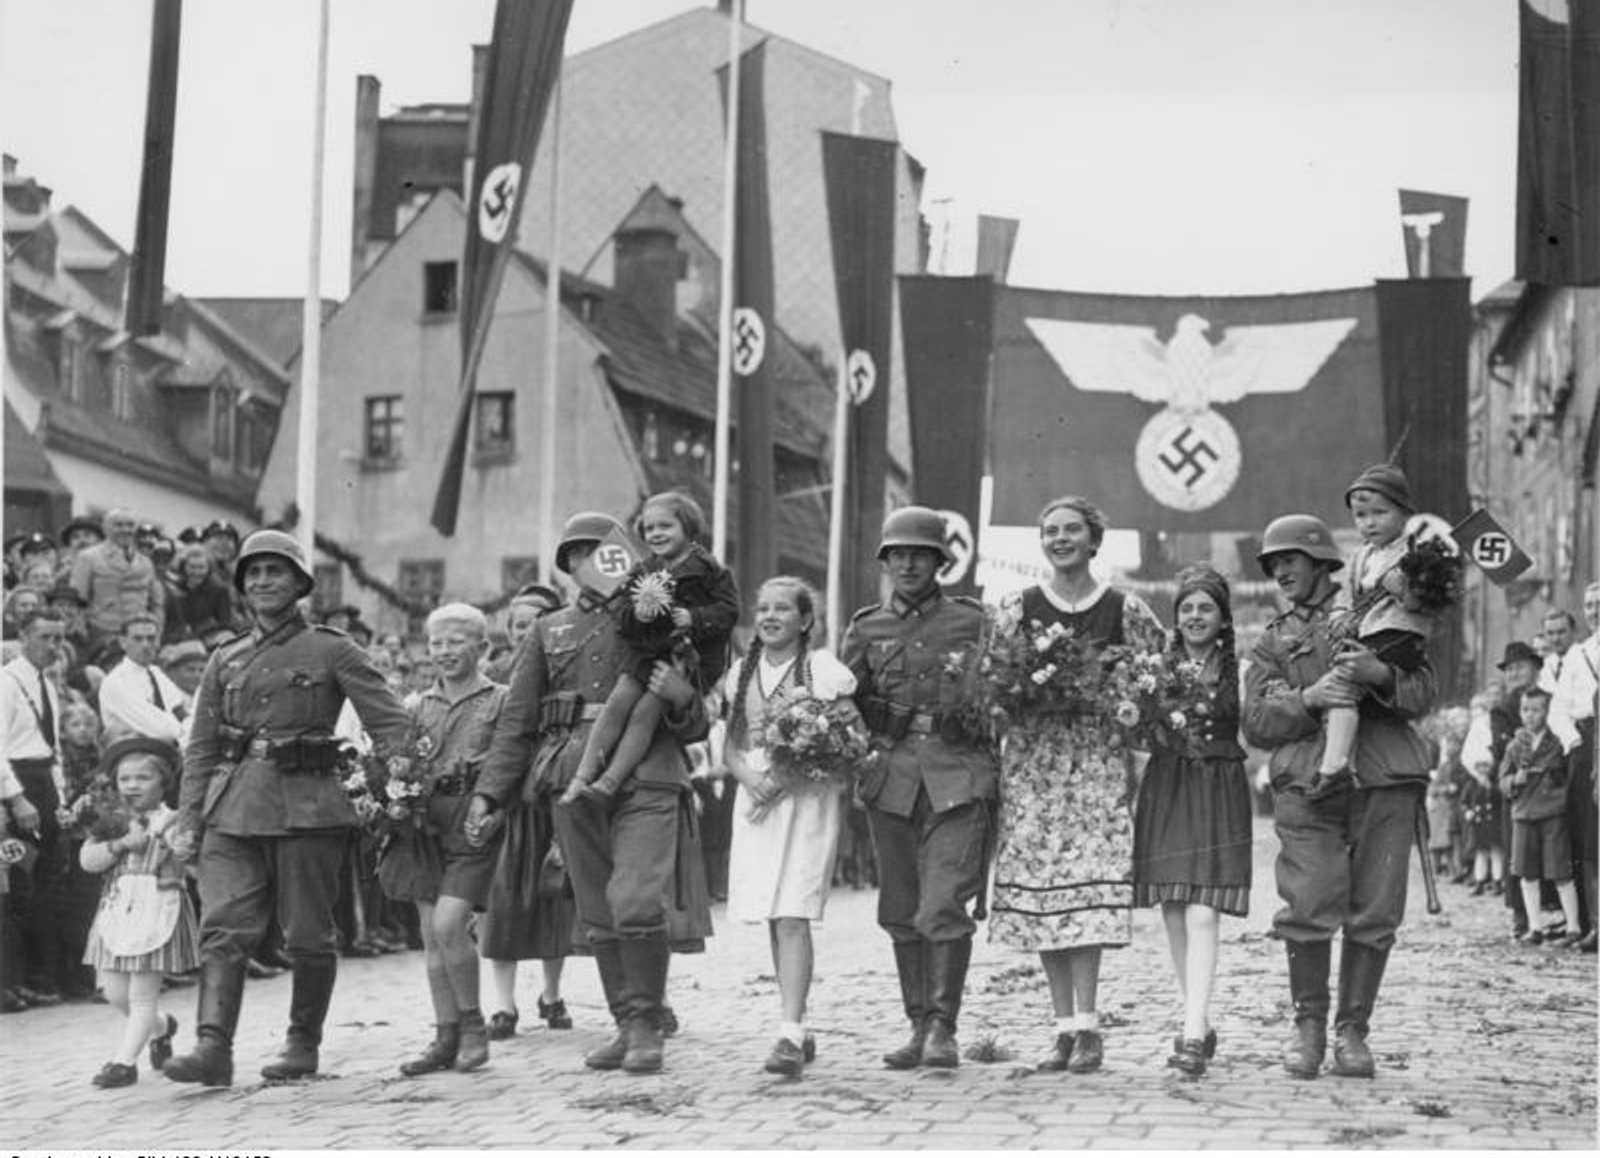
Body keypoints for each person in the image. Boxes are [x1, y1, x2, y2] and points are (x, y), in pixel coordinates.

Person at [161, 529, 412, 1087]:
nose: (262, 581)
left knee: (307, 935)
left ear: (300, 583)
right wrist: (190, 819)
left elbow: (391, 723)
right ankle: (212, 1048)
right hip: (233, 809)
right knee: (223, 928)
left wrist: (396, 791)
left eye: (275, 571)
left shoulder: (332, 648)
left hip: (308, 809)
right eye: (253, 573)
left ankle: (302, 1044)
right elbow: (202, 747)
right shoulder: (224, 657)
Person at [470, 511, 712, 1077]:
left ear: (622, 555)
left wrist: (681, 695)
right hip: (569, 775)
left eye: (599, 550)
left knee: (636, 899)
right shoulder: (548, 630)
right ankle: (627, 1024)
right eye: (576, 555)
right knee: (599, 910)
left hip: (649, 771)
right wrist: (490, 795)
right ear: (568, 567)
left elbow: (698, 721)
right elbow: (517, 722)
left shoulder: (659, 617)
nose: (589, 563)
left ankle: (648, 1025)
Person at [1243, 513, 1436, 1081]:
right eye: (1274, 564)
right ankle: (1308, 1029)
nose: (1281, 571)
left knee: (1375, 910)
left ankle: (1352, 1032)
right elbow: (1256, 722)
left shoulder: (1381, 613)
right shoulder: (1273, 640)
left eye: (1291, 560)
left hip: (1383, 777)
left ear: (1322, 562)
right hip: (1308, 784)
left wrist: (1380, 674)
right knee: (1307, 904)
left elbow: (1424, 691)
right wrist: (1308, 698)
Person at [983, 497, 1163, 1074]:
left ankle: (1089, 1026)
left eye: (1071, 530)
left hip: (1094, 765)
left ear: (1093, 540)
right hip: (1033, 765)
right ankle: (1062, 1028)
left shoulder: (1123, 608)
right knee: (1044, 896)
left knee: (1085, 896)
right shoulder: (1017, 606)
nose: (1060, 539)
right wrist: (1012, 695)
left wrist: (1125, 700)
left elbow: (1156, 675)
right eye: (1051, 531)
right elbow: (991, 679)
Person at [842, 506, 999, 1070]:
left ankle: (942, 1028)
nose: (908, 564)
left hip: (959, 776)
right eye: (898, 555)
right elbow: (844, 705)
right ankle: (917, 1025)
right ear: (885, 563)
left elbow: (1002, 692)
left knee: (943, 903)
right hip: (892, 779)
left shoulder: (973, 622)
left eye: (920, 555)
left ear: (940, 562)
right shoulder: (866, 628)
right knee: (901, 908)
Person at [723, 576, 857, 1076]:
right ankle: (794, 1022)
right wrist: (749, 778)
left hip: (805, 799)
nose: (770, 617)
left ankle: (789, 1033)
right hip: (756, 796)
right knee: (773, 913)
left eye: (782, 609)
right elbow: (730, 745)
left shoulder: (823, 669)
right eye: (762, 609)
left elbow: (848, 737)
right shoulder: (742, 672)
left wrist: (783, 779)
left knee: (794, 912)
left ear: (805, 620)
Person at [1132, 563, 1252, 1077]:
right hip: (1169, 783)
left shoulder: (1240, 668)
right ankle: (1196, 1018)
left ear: (1223, 618)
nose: (1196, 617)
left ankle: (1192, 1032)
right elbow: (1136, 729)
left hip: (1218, 784)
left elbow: (1257, 722)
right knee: (1175, 909)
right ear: (1175, 617)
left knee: (1204, 911)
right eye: (1187, 609)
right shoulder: (1156, 666)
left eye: (1206, 608)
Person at [380, 604, 507, 1075]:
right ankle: (445, 1034)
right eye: (436, 642)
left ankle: (473, 1026)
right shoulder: (416, 706)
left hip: (473, 820)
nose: (444, 651)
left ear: (482, 647)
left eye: (456, 641)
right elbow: (400, 759)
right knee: (431, 933)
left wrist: (498, 809)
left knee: (451, 923)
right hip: (423, 824)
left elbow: (512, 763)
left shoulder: (501, 700)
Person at [563, 492, 738, 803]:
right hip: (646, 651)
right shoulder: (643, 569)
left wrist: (695, 618)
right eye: (649, 528)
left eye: (665, 526)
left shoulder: (711, 570)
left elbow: (729, 611)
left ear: (688, 528)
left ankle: (609, 781)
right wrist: (639, 615)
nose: (656, 534)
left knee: (644, 714)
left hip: (682, 659)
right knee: (617, 705)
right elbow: (623, 616)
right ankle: (583, 776)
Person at [1313, 464, 1457, 797]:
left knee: (1342, 684)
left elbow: (1432, 602)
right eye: (1361, 515)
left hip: (1399, 634)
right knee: (1340, 689)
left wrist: (1405, 590)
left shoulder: (1416, 552)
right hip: (1367, 634)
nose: (1370, 522)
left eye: (1380, 513)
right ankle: (1340, 767)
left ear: (1404, 513)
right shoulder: (1360, 556)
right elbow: (1345, 596)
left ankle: (1333, 768)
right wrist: (1340, 617)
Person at [477, 581, 575, 1041]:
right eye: (518, 625)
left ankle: (551, 994)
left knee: (553, 899)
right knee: (502, 904)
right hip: (508, 805)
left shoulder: (569, 673)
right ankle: (502, 1004)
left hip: (553, 799)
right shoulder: (493, 677)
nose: (526, 633)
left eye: (536, 623)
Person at [78, 737, 197, 1088]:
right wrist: (118, 844)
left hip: (156, 908)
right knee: (114, 992)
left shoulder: (174, 821)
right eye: (124, 779)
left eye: (143, 778)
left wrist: (185, 851)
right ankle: (162, 1027)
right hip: (117, 909)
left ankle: (124, 1063)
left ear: (163, 782)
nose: (132, 786)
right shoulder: (112, 821)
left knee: (141, 994)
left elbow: (192, 863)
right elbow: (88, 861)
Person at [2, 608, 67, 1003]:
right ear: (23, 637)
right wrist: (16, 798)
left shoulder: (47, 684)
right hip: (17, 785)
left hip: (44, 785)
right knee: (19, 884)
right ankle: (13, 981)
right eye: (44, 637)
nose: (53, 645)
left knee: (46, 884)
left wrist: (60, 797)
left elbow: (52, 748)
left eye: (58, 638)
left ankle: (43, 978)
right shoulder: (7, 682)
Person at [1500, 686, 1583, 948]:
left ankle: (1574, 926)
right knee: (1527, 872)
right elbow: (1502, 779)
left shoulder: (1557, 742)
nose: (1530, 715)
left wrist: (1559, 791)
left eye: (1536, 710)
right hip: (1524, 813)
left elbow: (1569, 775)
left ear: (1547, 712)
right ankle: (1534, 927)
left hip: (1552, 812)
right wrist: (1514, 780)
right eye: (1525, 709)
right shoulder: (1515, 745)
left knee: (1560, 870)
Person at [1551, 583, 1598, 951]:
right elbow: (1558, 709)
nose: (1595, 611)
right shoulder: (1579, 655)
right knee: (1588, 835)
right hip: (1587, 743)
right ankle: (1593, 922)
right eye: (1589, 605)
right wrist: (1574, 741)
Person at [1492, 640, 1545, 939]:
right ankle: (1520, 914)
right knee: (1517, 851)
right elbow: (1502, 750)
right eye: (1509, 669)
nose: (1513, 673)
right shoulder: (1503, 708)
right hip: (1518, 787)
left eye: (1519, 667)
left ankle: (1553, 913)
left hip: (1547, 785)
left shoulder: (1548, 699)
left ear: (1535, 667)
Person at [69, 509, 164, 664]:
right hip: (101, 631)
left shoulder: (146, 562)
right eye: (118, 525)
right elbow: (76, 600)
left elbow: (157, 603)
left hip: (139, 634)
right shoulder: (88, 557)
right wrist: (82, 632)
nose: (125, 530)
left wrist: (157, 633)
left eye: (130, 525)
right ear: (105, 528)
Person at [96, 614, 185, 747]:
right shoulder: (115, 682)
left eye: (151, 638)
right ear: (123, 642)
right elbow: (161, 730)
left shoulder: (156, 673)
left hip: (171, 748)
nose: (145, 645)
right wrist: (187, 733)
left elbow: (180, 711)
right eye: (138, 639)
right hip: (134, 753)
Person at [164, 543, 243, 648]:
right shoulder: (174, 589)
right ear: (183, 567)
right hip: (183, 641)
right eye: (192, 567)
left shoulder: (219, 590)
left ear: (209, 568)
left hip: (211, 638)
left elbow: (226, 623)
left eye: (201, 567)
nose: (196, 572)